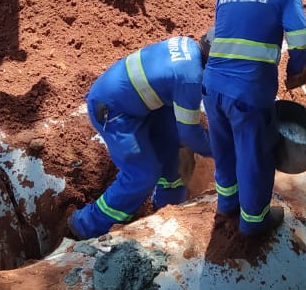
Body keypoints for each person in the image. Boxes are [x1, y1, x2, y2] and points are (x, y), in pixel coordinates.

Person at [203, 0, 306, 236]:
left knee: (224, 149)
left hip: (211, 85)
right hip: (249, 91)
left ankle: (226, 204)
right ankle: (253, 222)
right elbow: (300, 40)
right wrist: (295, 73)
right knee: (254, 154)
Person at [68, 35, 210, 239]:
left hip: (143, 105)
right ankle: (86, 225)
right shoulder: (191, 78)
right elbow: (191, 135)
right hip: (114, 111)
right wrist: (226, 151)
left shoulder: (188, 46)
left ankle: (170, 211)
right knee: (143, 174)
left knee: (178, 155)